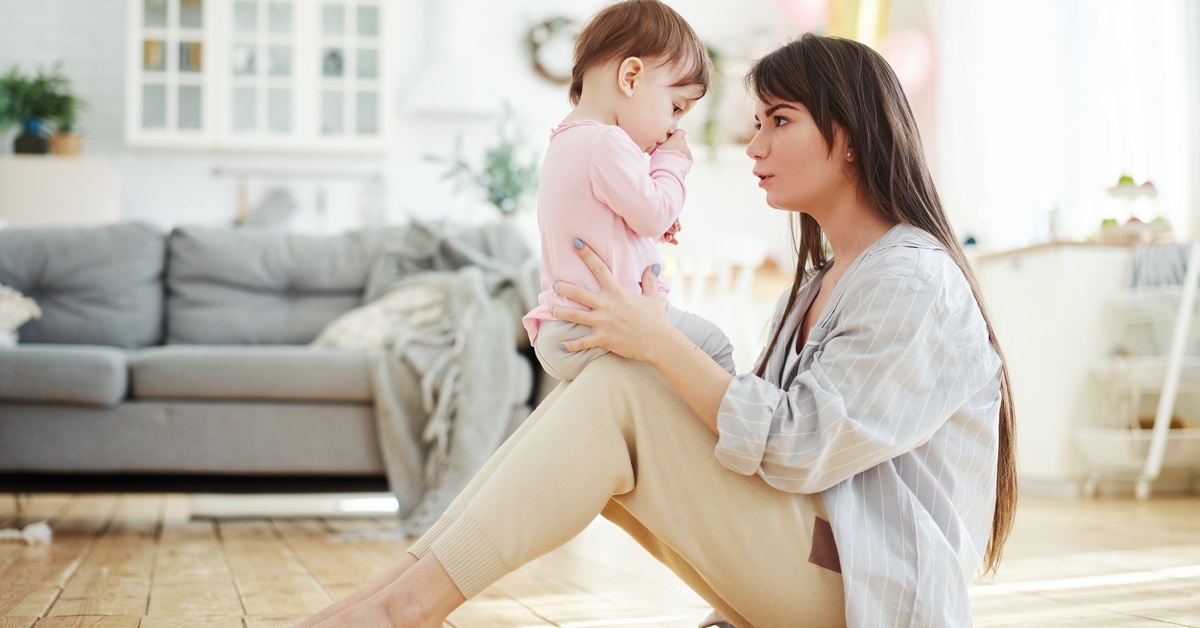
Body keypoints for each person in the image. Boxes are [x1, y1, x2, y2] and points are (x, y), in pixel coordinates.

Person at [296, 32, 1016, 628]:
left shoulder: (913, 283)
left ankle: (402, 609)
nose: (752, 143)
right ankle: (387, 600)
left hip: (868, 593)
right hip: (819, 565)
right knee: (618, 385)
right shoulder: (817, 284)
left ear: (852, 137)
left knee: (627, 383)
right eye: (756, 121)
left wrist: (657, 340)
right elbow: (753, 452)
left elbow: (794, 450)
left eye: (779, 120)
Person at [521, 0, 736, 381]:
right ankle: (720, 442)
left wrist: (651, 216)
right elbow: (654, 211)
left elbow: (626, 219)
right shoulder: (607, 141)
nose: (673, 129)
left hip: (563, 325)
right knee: (714, 347)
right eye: (675, 107)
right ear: (631, 77)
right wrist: (673, 164)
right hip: (602, 322)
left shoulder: (567, 142)